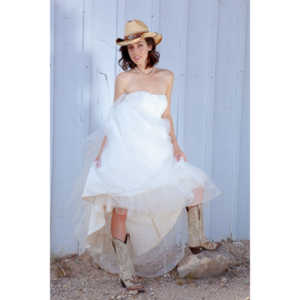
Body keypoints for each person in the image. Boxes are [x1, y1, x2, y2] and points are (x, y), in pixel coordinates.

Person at [77, 19, 223, 293]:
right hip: (127, 150)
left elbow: (166, 114)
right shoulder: (124, 79)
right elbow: (114, 117)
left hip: (157, 148)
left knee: (195, 186)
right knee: (122, 206)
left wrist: (176, 145)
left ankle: (196, 240)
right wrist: (102, 151)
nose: (135, 52)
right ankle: (126, 273)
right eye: (130, 48)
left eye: (140, 45)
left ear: (150, 46)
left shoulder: (166, 77)